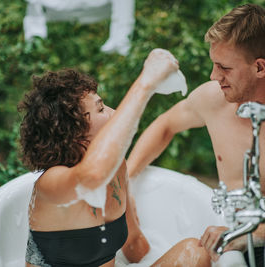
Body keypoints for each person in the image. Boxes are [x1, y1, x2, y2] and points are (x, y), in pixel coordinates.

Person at [127, 3, 265, 266]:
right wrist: (126, 181)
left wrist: (245, 235)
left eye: (224, 68)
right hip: (223, 232)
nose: (214, 76)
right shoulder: (211, 99)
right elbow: (165, 125)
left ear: (260, 68)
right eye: (214, 65)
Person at [18, 49, 210, 267]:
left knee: (194, 252)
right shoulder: (51, 184)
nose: (113, 111)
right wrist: (146, 82)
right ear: (73, 133)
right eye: (101, 109)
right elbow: (91, 176)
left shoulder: (116, 167)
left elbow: (134, 244)